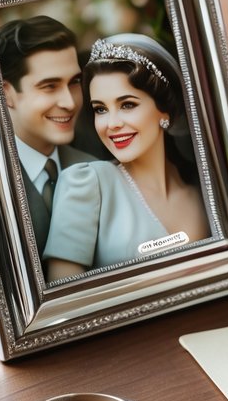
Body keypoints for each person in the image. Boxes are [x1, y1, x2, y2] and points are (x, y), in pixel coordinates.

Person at [43, 34, 210, 281]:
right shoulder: (86, 184)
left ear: (164, 110)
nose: (111, 124)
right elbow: (64, 302)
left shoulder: (202, 194)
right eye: (100, 109)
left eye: (127, 105)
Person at [0, 15, 96, 254]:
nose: (70, 102)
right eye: (50, 86)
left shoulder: (95, 169)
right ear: (6, 94)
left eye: (74, 82)